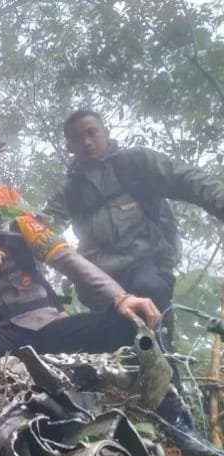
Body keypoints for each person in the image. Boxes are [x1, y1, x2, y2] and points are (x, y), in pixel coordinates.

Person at [0, 166, 160, 369]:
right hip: (3, 344)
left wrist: (120, 298)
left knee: (130, 321)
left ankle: (166, 406)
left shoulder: (20, 229)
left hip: (52, 328)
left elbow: (68, 260)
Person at [44, 110, 224, 319]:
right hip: (102, 275)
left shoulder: (135, 162)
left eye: (92, 133)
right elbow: (44, 224)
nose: (87, 142)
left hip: (148, 260)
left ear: (106, 132)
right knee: (112, 334)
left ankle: (159, 343)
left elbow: (188, 179)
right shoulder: (70, 190)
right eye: (77, 139)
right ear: (69, 147)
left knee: (149, 296)